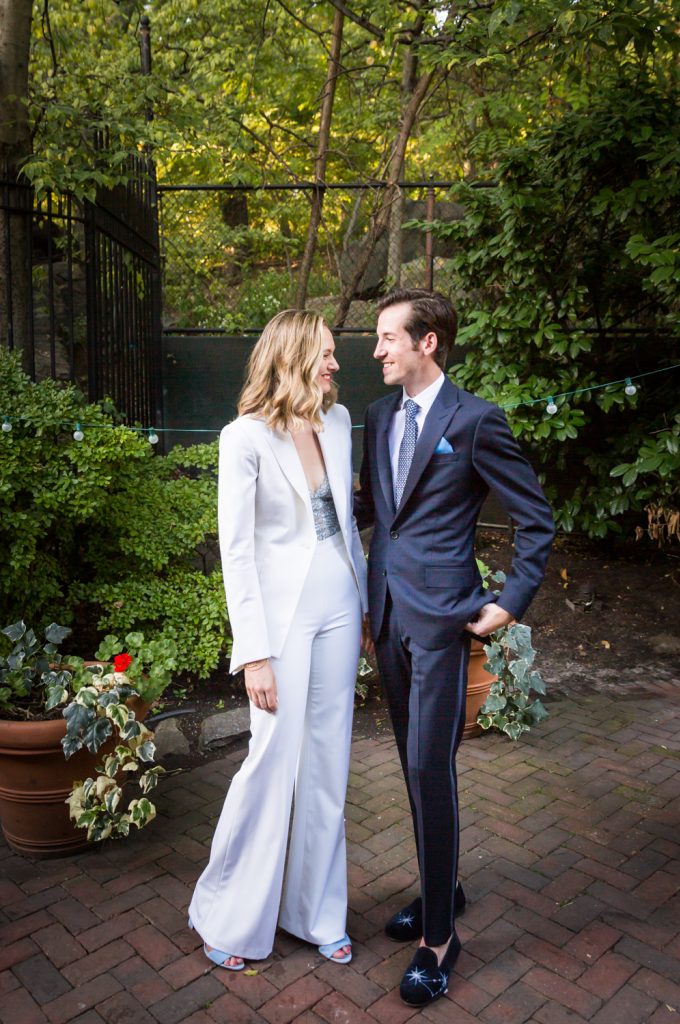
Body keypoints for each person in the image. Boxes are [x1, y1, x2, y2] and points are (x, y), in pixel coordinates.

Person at [354, 288, 554, 1007]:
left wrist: (507, 601)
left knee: (425, 765)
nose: (375, 351)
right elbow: (377, 511)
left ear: (426, 343)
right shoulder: (376, 418)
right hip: (387, 617)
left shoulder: (474, 421)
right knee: (412, 768)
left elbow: (535, 520)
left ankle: (438, 938)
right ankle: (446, 888)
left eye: (386, 338)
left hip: (443, 623)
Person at [189, 309, 367, 969]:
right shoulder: (243, 438)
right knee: (272, 762)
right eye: (324, 354)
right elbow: (236, 553)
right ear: (291, 356)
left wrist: (369, 604)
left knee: (327, 763)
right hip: (282, 622)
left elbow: (345, 527)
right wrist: (254, 653)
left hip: (341, 609)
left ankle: (316, 913)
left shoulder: (340, 423)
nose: (335, 364)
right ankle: (230, 917)